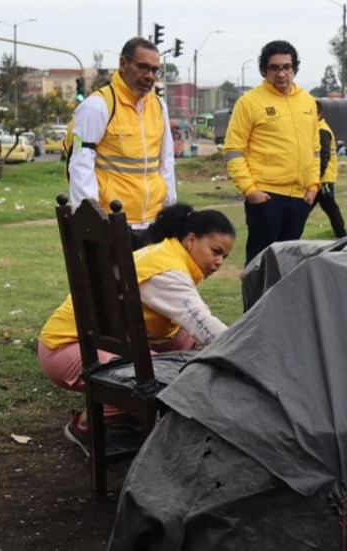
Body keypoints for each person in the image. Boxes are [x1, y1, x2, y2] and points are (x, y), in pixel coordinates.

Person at [38, 203, 235, 454]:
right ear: (190, 240)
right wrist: (246, 351)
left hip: (93, 339)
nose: (218, 263)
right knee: (159, 380)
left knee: (183, 342)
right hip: (64, 349)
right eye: (215, 251)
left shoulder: (165, 252)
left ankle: (129, 416)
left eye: (224, 257)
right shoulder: (168, 272)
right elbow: (206, 325)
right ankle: (86, 426)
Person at [67, 37, 176, 250]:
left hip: (153, 222)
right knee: (111, 284)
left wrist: (170, 212)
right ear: (123, 64)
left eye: (155, 70)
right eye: (143, 67)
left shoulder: (158, 106)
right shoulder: (98, 106)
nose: (150, 76)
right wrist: (91, 221)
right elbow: (81, 164)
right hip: (113, 222)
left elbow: (166, 161)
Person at [224, 40, 320, 265]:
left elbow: (315, 148)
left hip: (300, 198)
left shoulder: (307, 101)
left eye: (286, 67)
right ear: (264, 71)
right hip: (266, 196)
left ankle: (283, 302)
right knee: (260, 265)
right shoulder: (249, 102)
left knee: (288, 265)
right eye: (274, 68)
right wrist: (250, 190)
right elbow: (233, 150)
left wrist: (314, 185)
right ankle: (256, 303)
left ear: (294, 68)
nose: (281, 73)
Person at [312, 100, 347, 238]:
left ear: (319, 114)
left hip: (323, 178)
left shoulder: (322, 131)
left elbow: (324, 156)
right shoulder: (318, 129)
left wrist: (317, 176)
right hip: (322, 178)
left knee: (329, 208)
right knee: (330, 208)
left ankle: (342, 235)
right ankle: (342, 235)